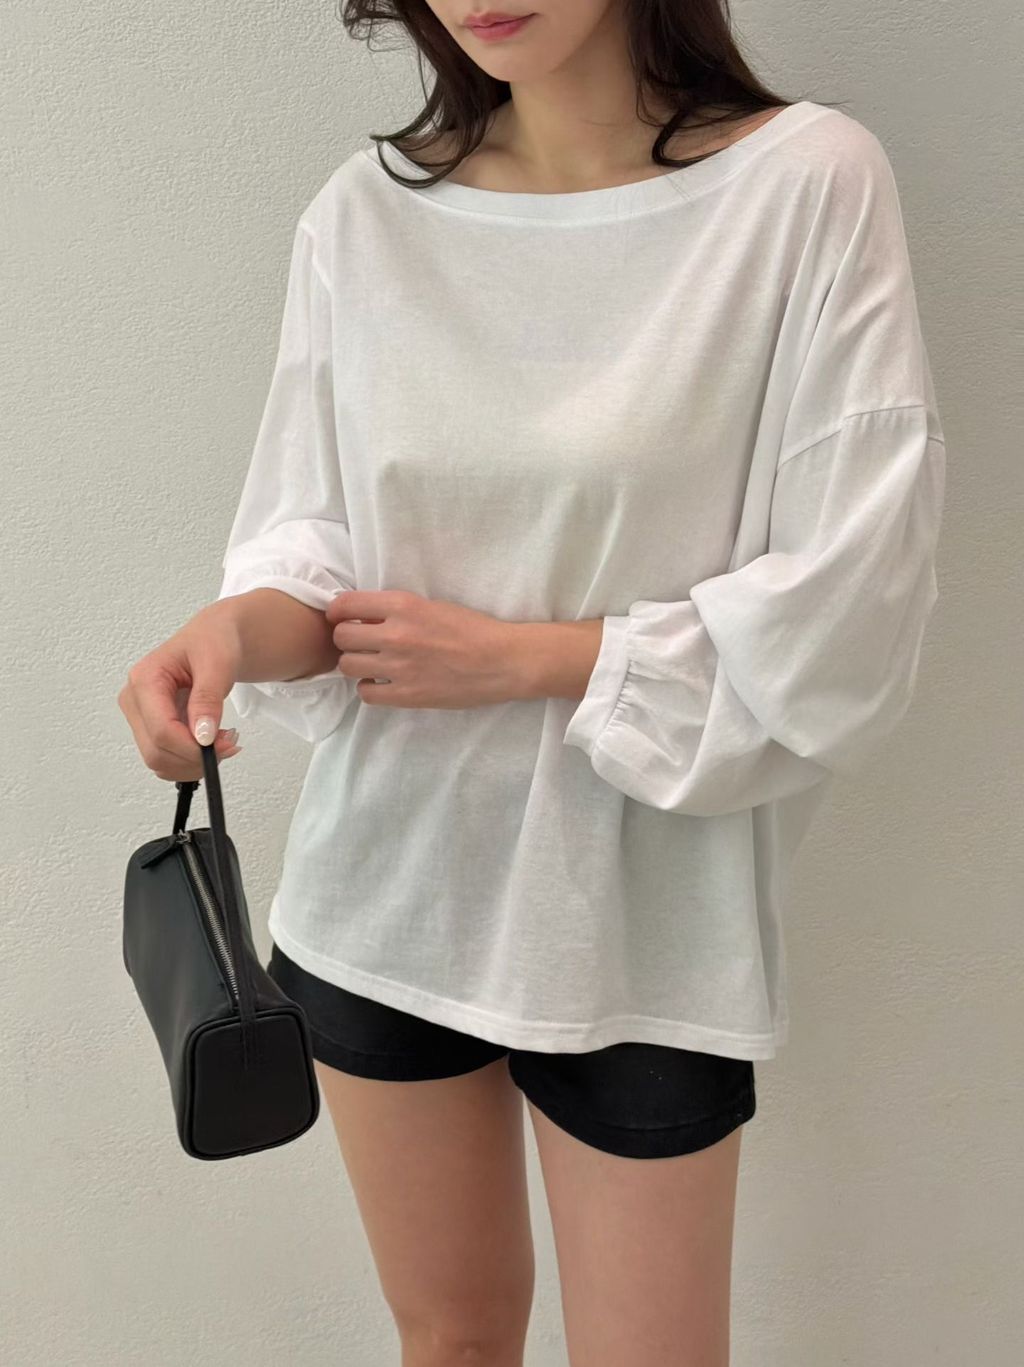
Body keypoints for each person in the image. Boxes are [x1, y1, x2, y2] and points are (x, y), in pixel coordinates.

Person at [117, 2, 947, 1363]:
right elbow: (316, 556)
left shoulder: (803, 186)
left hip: (646, 920)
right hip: (386, 899)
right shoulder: (366, 216)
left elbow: (854, 600)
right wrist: (226, 639)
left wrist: (524, 660)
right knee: (450, 1343)